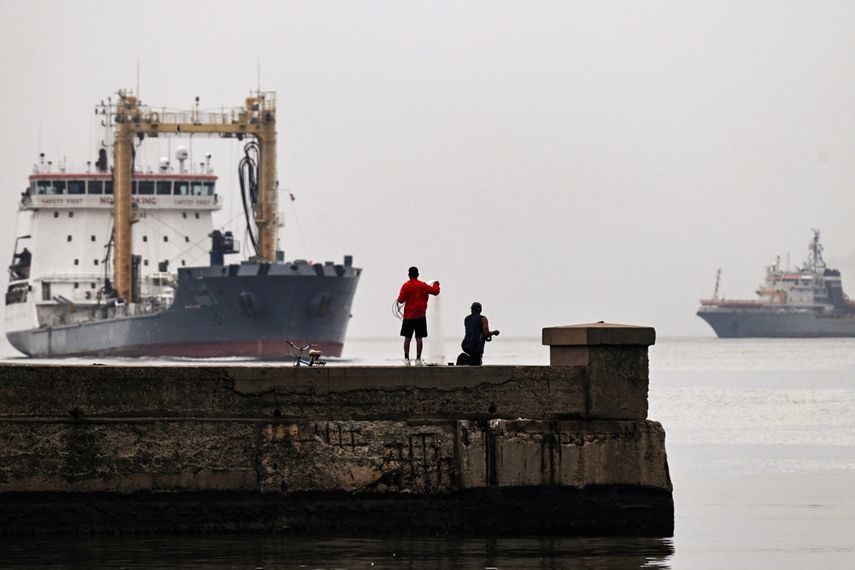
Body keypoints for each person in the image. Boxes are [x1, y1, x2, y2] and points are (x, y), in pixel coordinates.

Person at [396, 266, 440, 366]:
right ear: (418, 274)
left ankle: (406, 360)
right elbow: (436, 291)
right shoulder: (423, 285)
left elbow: (400, 300)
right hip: (420, 316)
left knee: (407, 338)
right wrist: (436, 284)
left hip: (408, 317)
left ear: (409, 275)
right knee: (419, 339)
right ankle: (418, 360)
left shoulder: (406, 286)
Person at [458, 302, 499, 366]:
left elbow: (473, 330)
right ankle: (464, 358)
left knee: (474, 359)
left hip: (466, 345)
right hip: (476, 347)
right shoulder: (483, 319)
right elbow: (486, 334)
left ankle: (463, 358)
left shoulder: (467, 319)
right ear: (480, 310)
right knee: (476, 363)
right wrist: (494, 332)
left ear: (472, 309)